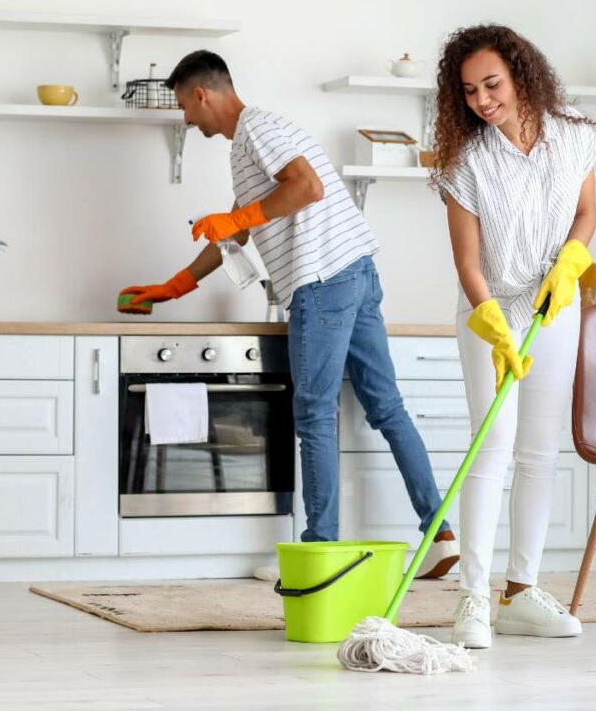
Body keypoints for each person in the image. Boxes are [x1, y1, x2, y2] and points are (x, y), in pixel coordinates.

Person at [119, 50, 458, 577]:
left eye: (185, 105)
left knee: (314, 415)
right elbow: (238, 229)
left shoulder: (258, 127)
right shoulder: (253, 142)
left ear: (202, 94)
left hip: (322, 282)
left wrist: (239, 216)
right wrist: (176, 284)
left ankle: (318, 556)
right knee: (388, 408)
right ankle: (439, 533)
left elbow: (306, 188)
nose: (186, 118)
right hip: (356, 272)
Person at [432, 25, 596, 648]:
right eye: (470, 90)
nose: (482, 100)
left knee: (539, 452)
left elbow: (586, 212)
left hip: (555, 307)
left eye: (492, 84)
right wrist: (492, 322)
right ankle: (472, 597)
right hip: (492, 312)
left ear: (522, 75)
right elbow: (469, 264)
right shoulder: (465, 161)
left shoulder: (576, 134)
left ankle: (521, 592)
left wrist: (572, 262)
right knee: (490, 445)